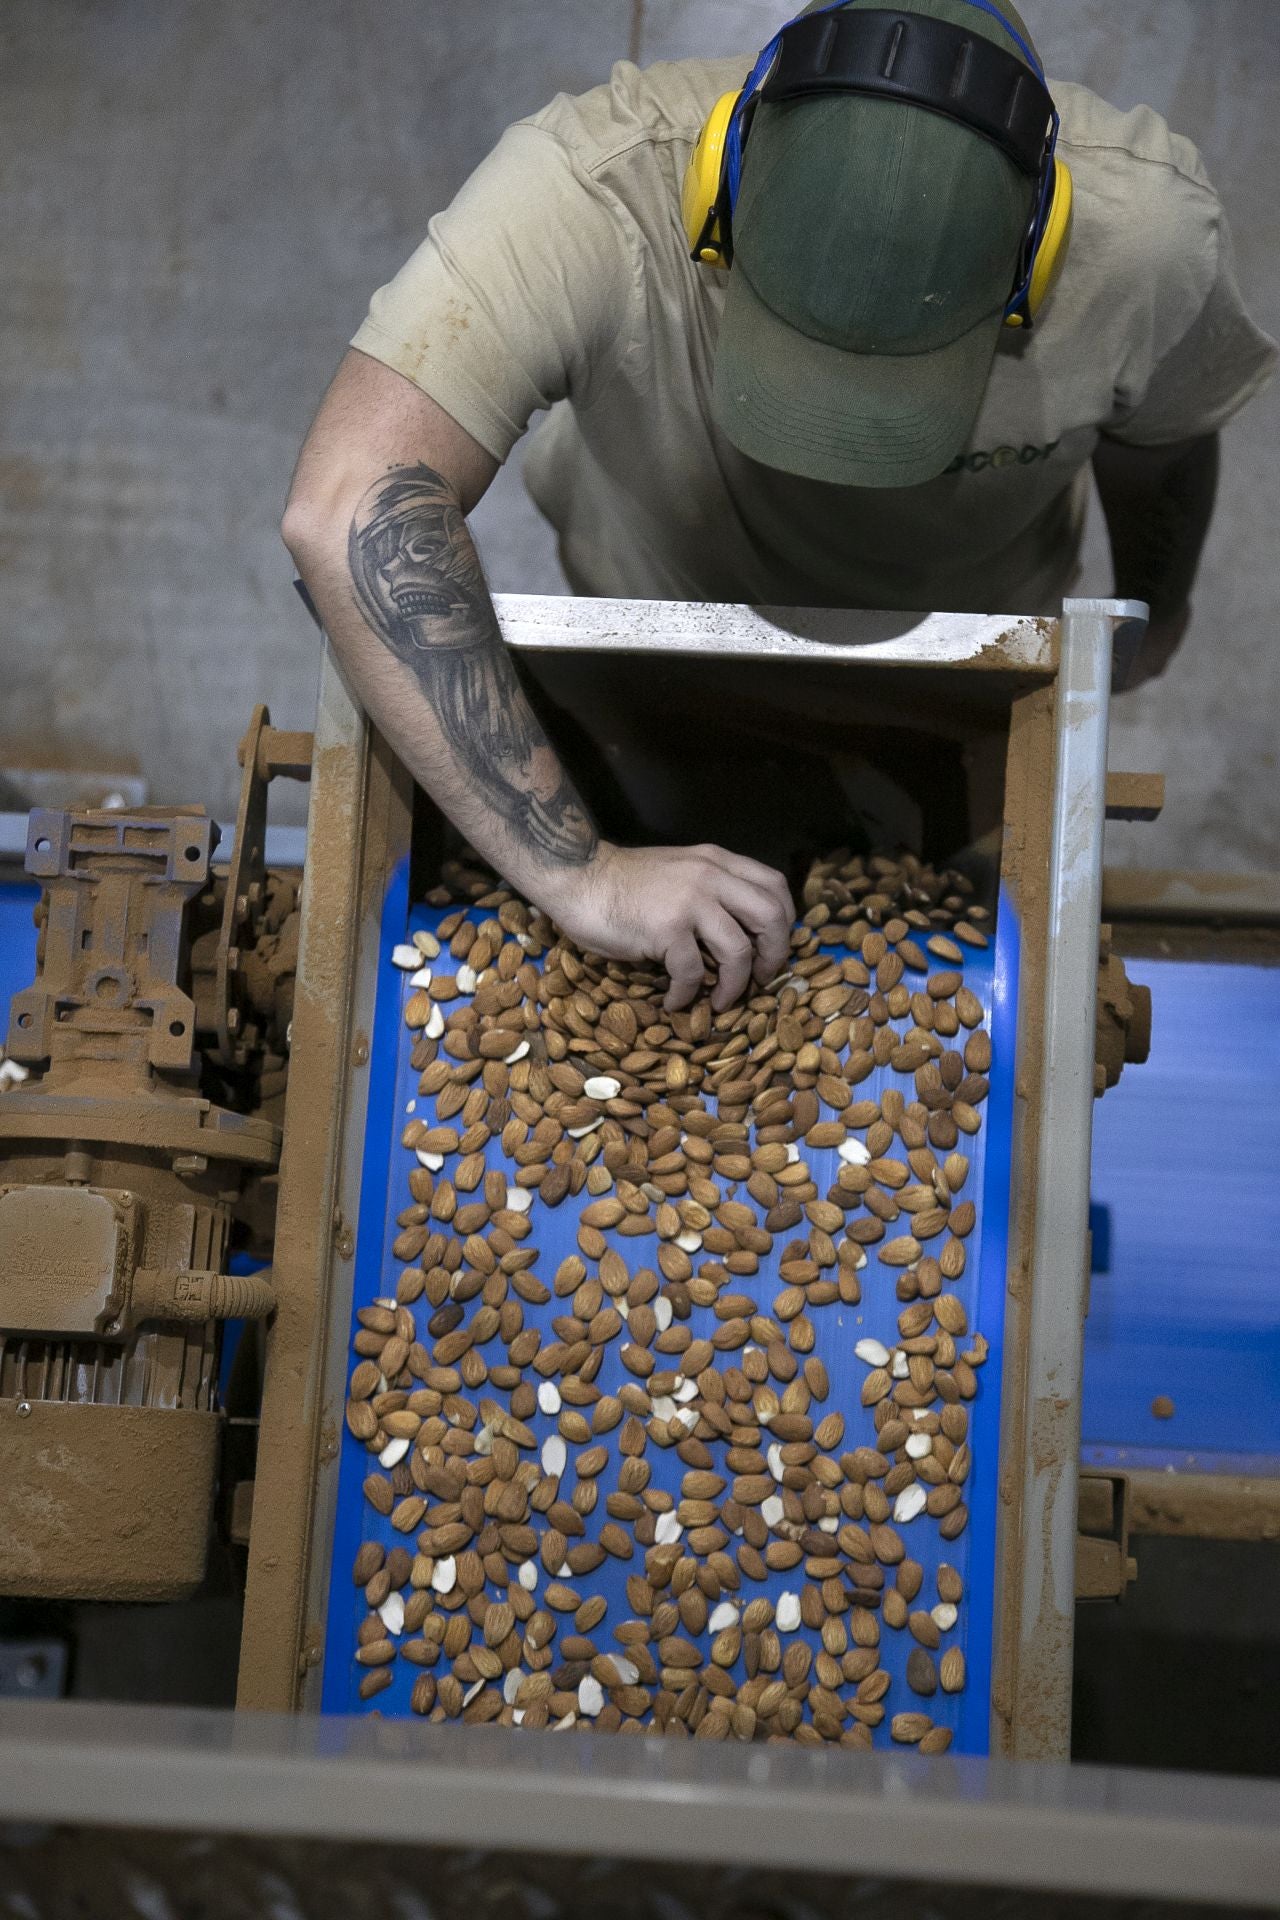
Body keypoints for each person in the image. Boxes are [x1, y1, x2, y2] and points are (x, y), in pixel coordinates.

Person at [282, 0, 1274, 1010]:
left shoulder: (1147, 245)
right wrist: (581, 875)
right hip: (660, 603)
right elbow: (347, 503)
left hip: (963, 643)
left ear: (1038, 248)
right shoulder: (594, 188)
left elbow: (1164, 442)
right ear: (718, 178)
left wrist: (1157, 609)